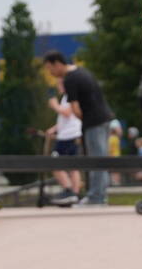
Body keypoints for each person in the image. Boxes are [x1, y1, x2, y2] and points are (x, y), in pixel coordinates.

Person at [42, 51, 113, 206]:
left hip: (94, 122)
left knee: (95, 161)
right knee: (101, 158)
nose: (51, 73)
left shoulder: (70, 79)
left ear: (57, 63)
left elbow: (75, 109)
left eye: (50, 68)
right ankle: (100, 195)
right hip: (104, 119)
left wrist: (85, 121)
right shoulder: (81, 71)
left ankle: (96, 197)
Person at [46, 83, 83, 205]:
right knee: (73, 166)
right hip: (69, 134)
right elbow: (68, 118)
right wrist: (54, 129)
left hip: (68, 136)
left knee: (55, 162)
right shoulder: (66, 97)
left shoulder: (69, 96)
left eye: (60, 84)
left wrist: (54, 105)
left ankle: (69, 190)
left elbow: (67, 112)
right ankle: (75, 194)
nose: (58, 87)